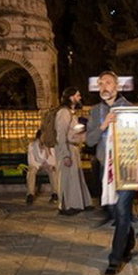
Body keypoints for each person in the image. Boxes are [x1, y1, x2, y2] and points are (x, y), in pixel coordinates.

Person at [85, 71, 137, 275]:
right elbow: (89, 140)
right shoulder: (95, 111)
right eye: (100, 84)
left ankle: (115, 259)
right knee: (115, 212)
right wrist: (103, 125)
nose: (104, 87)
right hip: (104, 171)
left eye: (108, 82)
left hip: (125, 169)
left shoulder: (130, 108)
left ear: (117, 86)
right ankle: (128, 239)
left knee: (122, 212)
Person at [55, 87, 92, 215]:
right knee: (67, 178)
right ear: (71, 97)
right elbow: (61, 134)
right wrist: (65, 155)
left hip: (74, 147)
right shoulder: (63, 113)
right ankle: (66, 206)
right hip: (68, 148)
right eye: (78, 95)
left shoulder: (71, 113)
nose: (80, 97)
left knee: (76, 177)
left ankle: (81, 203)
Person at [26, 129, 58, 205]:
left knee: (53, 171)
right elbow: (31, 160)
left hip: (47, 165)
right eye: (42, 136)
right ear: (38, 137)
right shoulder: (32, 145)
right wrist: (38, 165)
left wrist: (47, 151)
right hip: (37, 165)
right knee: (31, 171)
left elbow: (53, 161)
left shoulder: (50, 146)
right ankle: (30, 194)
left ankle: (55, 193)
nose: (44, 138)